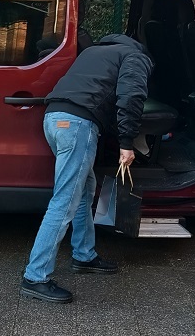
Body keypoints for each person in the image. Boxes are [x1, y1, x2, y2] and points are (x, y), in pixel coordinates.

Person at [20, 33, 152, 304]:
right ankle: (35, 277)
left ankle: (84, 255)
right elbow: (131, 97)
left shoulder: (94, 52)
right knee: (65, 201)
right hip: (77, 125)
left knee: (84, 189)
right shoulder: (136, 56)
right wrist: (127, 144)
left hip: (54, 119)